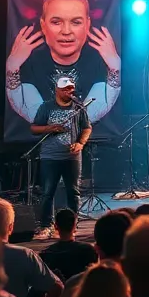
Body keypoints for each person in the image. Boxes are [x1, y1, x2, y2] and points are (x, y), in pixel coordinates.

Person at [6, 0, 121, 125]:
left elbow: (85, 118)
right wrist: (12, 67)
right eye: (56, 22)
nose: (66, 31)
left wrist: (115, 66)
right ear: (43, 25)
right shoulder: (28, 67)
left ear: (87, 24)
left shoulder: (100, 65)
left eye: (76, 22)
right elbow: (39, 117)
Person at [31, 75, 92, 238]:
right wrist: (49, 128)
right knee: (48, 192)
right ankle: (46, 226)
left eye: (71, 88)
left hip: (72, 157)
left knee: (73, 192)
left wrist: (80, 143)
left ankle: (72, 225)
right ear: (56, 90)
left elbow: (87, 128)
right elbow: (34, 128)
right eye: (65, 89)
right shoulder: (46, 107)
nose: (69, 91)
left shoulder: (78, 107)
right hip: (50, 156)